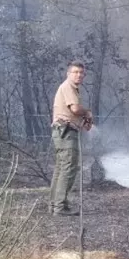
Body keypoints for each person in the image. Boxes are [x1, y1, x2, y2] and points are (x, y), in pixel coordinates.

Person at [49, 60, 93, 216]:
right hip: (66, 132)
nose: (79, 75)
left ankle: (56, 205)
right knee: (68, 169)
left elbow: (71, 112)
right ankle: (59, 207)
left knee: (61, 169)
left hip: (64, 130)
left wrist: (84, 121)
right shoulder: (68, 86)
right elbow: (74, 109)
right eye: (76, 72)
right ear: (68, 74)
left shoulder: (72, 89)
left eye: (82, 73)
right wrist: (87, 113)